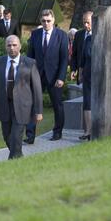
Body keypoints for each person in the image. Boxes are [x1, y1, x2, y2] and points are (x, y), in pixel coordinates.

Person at [0, 35, 43, 159]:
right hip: (4, 105)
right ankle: (19, 156)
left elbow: (37, 89)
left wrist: (38, 111)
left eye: (14, 45)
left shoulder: (30, 63)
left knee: (16, 135)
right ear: (5, 47)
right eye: (9, 45)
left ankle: (13, 161)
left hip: (23, 107)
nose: (12, 48)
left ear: (20, 46)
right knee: (7, 136)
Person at [26, 9, 68, 142]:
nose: (46, 23)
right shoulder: (35, 34)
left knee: (57, 105)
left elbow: (64, 58)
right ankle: (30, 135)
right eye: (43, 21)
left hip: (55, 76)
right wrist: (28, 75)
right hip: (37, 75)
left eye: (48, 21)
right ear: (40, 21)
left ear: (53, 20)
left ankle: (57, 132)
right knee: (32, 104)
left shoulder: (61, 35)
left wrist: (61, 77)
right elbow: (30, 56)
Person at [71, 11, 93, 140]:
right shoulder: (79, 35)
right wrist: (74, 70)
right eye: (84, 22)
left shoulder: (99, 34)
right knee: (87, 102)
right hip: (85, 73)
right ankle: (87, 131)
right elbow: (75, 54)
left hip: (97, 73)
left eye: (88, 22)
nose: (86, 25)